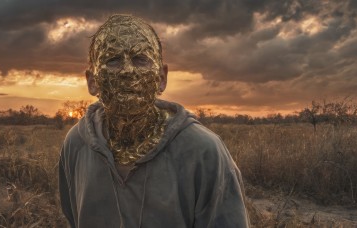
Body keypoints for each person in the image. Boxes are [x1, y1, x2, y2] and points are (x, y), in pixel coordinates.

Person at [59, 14, 249, 228]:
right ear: (92, 81)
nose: (127, 72)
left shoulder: (204, 152)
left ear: (161, 78)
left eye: (140, 59)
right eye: (112, 60)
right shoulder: (76, 145)